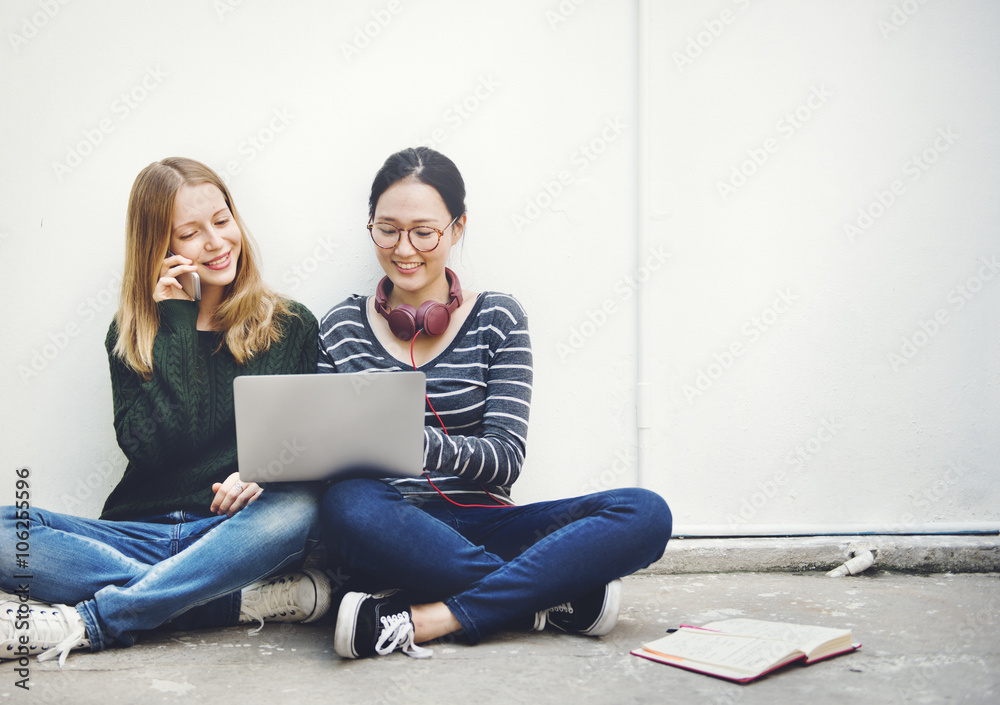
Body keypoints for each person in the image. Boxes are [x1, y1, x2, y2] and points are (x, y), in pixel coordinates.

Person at [317, 146, 672, 659]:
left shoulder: (498, 319)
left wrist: (416, 446)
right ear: (370, 225)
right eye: (387, 228)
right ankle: (551, 599)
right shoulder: (339, 327)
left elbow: (505, 457)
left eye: (424, 231)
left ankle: (428, 617)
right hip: (389, 531)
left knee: (645, 512)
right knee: (346, 501)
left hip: (489, 524)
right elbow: (326, 464)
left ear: (457, 229)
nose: (404, 247)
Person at [0, 158, 329, 666]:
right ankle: (219, 600)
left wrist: (266, 474)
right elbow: (153, 450)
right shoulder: (133, 334)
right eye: (191, 234)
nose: (217, 243)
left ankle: (98, 619)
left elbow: (307, 445)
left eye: (222, 221)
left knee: (301, 505)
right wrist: (176, 323)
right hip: (140, 533)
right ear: (160, 248)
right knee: (6, 527)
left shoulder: (290, 324)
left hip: (233, 533)